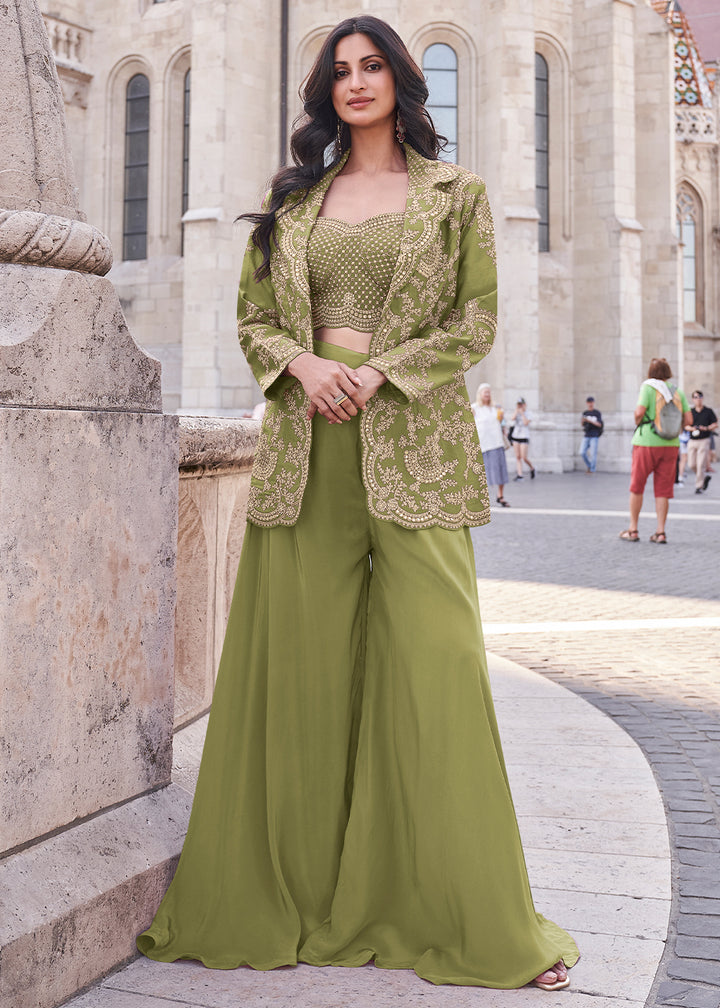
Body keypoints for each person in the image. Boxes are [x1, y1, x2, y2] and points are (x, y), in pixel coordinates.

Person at [137, 15, 578, 991]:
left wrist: (380, 374)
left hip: (413, 445)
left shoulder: (457, 196)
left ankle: (477, 921)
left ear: (400, 80)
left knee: (439, 668)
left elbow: (477, 321)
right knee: (303, 680)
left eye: (372, 65)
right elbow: (253, 315)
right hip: (304, 448)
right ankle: (299, 895)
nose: (356, 82)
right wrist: (299, 361)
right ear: (325, 92)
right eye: (340, 71)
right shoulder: (294, 203)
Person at [619, 357, 691, 544]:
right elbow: (689, 420)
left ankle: (633, 529)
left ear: (650, 372)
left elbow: (639, 412)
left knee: (637, 486)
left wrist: (639, 422)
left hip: (646, 443)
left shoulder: (648, 387)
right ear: (668, 372)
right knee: (663, 490)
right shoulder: (677, 392)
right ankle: (660, 532)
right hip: (671, 445)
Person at [472, 382, 511, 506]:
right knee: (481, 473)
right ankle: (479, 497)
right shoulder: (474, 408)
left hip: (496, 442)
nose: (487, 394)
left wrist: (503, 423)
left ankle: (500, 496)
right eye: (485, 392)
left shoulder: (496, 408)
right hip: (482, 444)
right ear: (480, 394)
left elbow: (502, 423)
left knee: (500, 470)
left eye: (489, 392)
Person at [685, 390, 717, 494]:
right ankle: (703, 479)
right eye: (695, 397)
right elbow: (685, 425)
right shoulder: (691, 412)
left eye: (700, 396)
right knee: (691, 464)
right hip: (692, 440)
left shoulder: (708, 411)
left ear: (702, 398)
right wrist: (693, 428)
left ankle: (699, 486)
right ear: (693, 399)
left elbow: (715, 424)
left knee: (700, 464)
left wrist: (706, 428)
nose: (698, 399)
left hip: (704, 439)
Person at [509, 397, 535, 480]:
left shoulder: (529, 413)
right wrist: (517, 412)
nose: (520, 406)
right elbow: (512, 419)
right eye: (518, 404)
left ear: (524, 405)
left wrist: (522, 413)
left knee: (524, 457)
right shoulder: (516, 412)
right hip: (516, 435)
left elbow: (526, 423)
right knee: (518, 456)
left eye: (521, 404)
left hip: (524, 436)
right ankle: (520, 475)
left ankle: (532, 467)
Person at [580, 395, 603, 473]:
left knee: (593, 454)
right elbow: (582, 424)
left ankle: (592, 469)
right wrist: (583, 421)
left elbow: (599, 424)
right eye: (589, 402)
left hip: (594, 435)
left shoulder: (597, 413)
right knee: (582, 452)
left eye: (592, 402)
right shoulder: (585, 413)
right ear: (587, 403)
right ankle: (589, 465)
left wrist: (590, 421)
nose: (590, 404)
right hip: (587, 434)